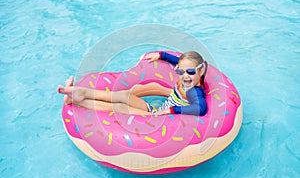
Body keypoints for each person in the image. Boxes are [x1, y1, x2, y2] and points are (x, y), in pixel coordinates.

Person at [57, 51, 208, 116]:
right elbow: (178, 62)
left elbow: (201, 109)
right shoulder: (186, 74)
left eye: (191, 72)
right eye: (181, 72)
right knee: (124, 95)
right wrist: (162, 55)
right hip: (154, 110)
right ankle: (82, 92)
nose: (185, 76)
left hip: (159, 119)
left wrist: (171, 111)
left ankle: (78, 103)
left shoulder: (194, 91)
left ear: (201, 72)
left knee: (120, 107)